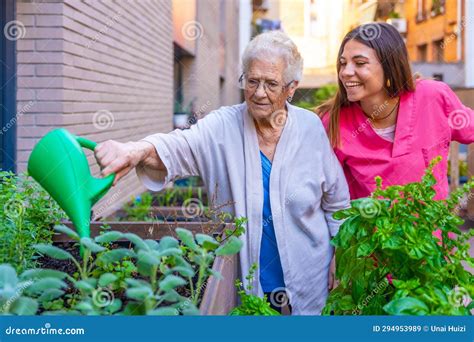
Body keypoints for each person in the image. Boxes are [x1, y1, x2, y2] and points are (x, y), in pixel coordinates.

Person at [95, 31, 350, 315]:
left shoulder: (310, 127)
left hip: (309, 278)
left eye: (271, 84)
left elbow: (336, 202)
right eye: (252, 81)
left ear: (291, 88)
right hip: (247, 282)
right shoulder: (222, 126)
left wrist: (342, 254)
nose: (259, 92)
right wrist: (135, 150)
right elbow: (176, 147)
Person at [317, 22, 474, 201]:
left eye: (360, 63)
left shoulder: (433, 97)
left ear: (390, 66)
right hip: (370, 229)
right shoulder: (332, 122)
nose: (345, 72)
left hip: (432, 228)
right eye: (343, 63)